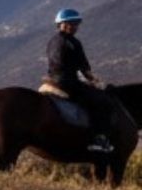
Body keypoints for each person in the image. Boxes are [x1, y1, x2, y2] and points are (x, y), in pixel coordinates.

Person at [47, 8, 117, 156]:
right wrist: (91, 80)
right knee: (102, 103)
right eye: (70, 23)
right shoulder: (66, 42)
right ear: (60, 24)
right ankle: (99, 140)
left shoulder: (62, 41)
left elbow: (81, 67)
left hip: (58, 79)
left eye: (76, 23)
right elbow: (78, 67)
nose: (73, 26)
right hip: (67, 82)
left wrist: (91, 79)